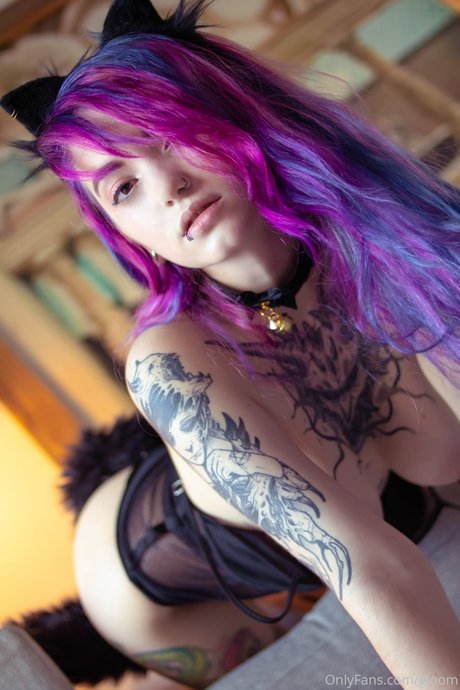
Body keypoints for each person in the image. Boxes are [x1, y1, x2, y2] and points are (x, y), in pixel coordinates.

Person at [2, 0, 460, 687]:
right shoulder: (168, 362)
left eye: (167, 135)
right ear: (124, 233)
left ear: (233, 109)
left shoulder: (380, 240)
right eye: (123, 187)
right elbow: (372, 568)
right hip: (165, 591)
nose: (169, 188)